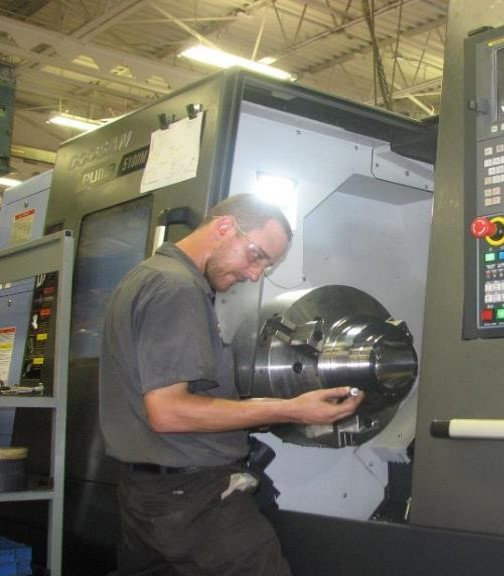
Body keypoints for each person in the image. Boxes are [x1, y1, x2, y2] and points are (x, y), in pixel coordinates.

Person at [99, 193, 364, 575]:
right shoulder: (178, 289)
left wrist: (254, 409)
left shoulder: (145, 278)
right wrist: (293, 408)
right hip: (195, 500)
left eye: (266, 267)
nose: (254, 274)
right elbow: (168, 412)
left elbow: (168, 399)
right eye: (256, 255)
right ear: (224, 228)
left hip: (146, 497)